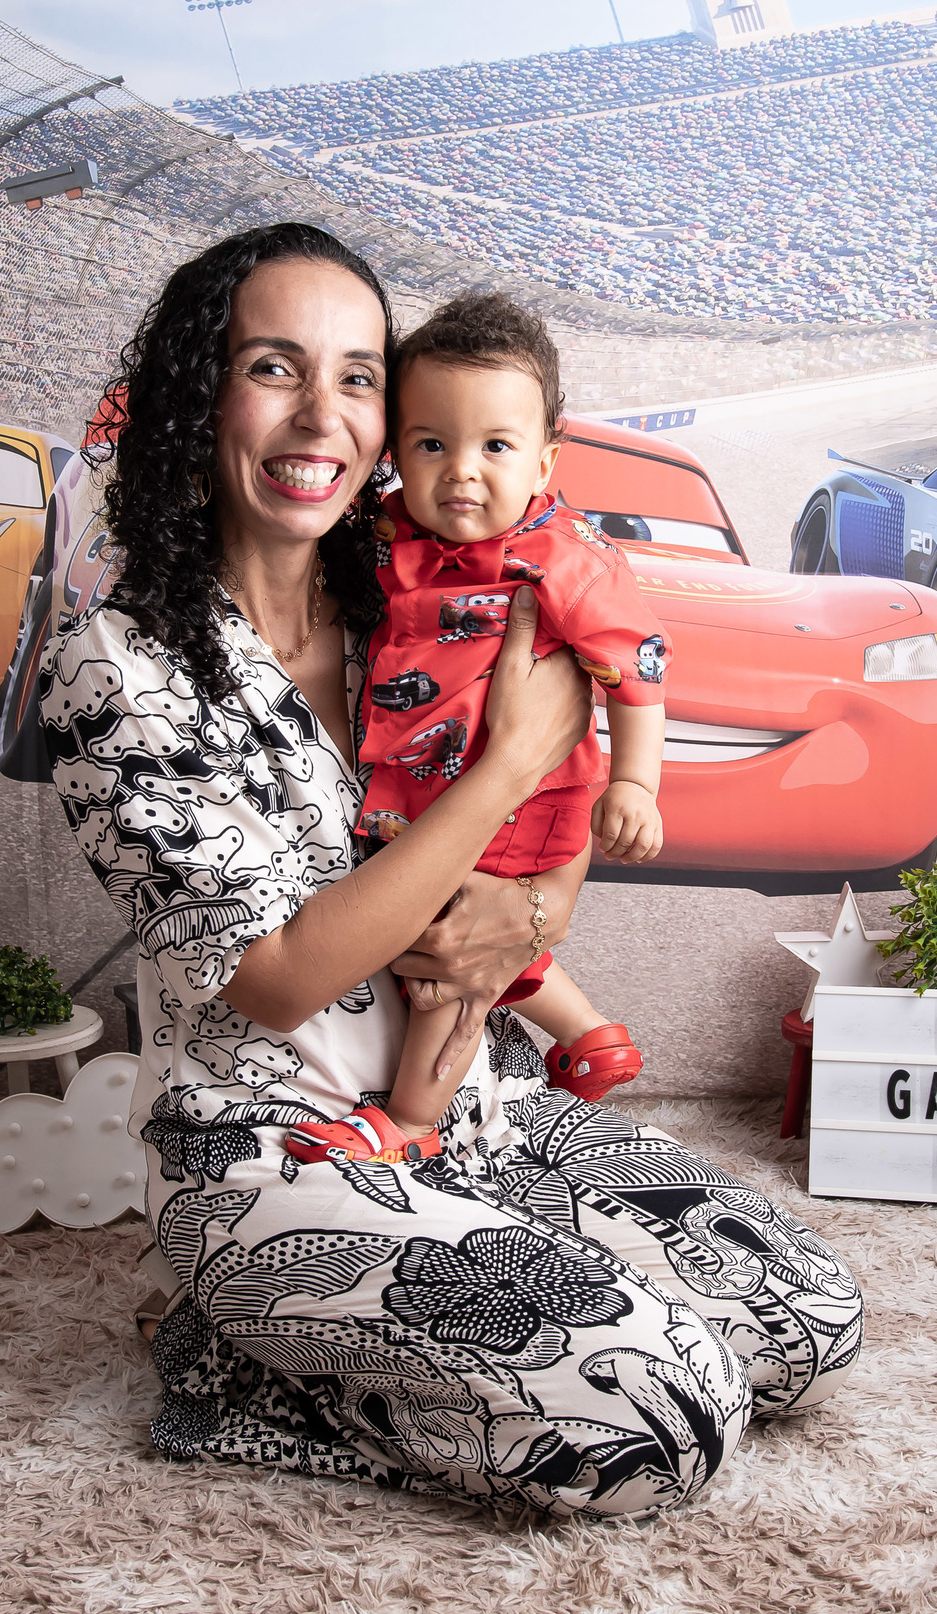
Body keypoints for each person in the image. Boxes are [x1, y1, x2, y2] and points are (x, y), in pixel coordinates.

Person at [39, 222, 863, 1520]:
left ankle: (487, 1283)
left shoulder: (428, 583)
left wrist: (527, 906)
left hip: (482, 1105)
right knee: (673, 1419)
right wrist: (507, 760)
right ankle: (224, 1360)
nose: (322, 413)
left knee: (807, 1319)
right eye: (273, 367)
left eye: (359, 376)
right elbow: (279, 974)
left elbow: (557, 842)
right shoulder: (118, 668)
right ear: (200, 395)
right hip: (277, 1158)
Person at [287, 292, 669, 1170]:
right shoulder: (396, 531)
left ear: (545, 460)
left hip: (520, 796)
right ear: (395, 451)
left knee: (443, 958)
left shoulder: (564, 558)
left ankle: (409, 1122)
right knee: (461, 924)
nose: (461, 471)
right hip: (437, 786)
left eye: (495, 446)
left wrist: (636, 783)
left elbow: (637, 665)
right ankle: (589, 1033)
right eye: (432, 444)